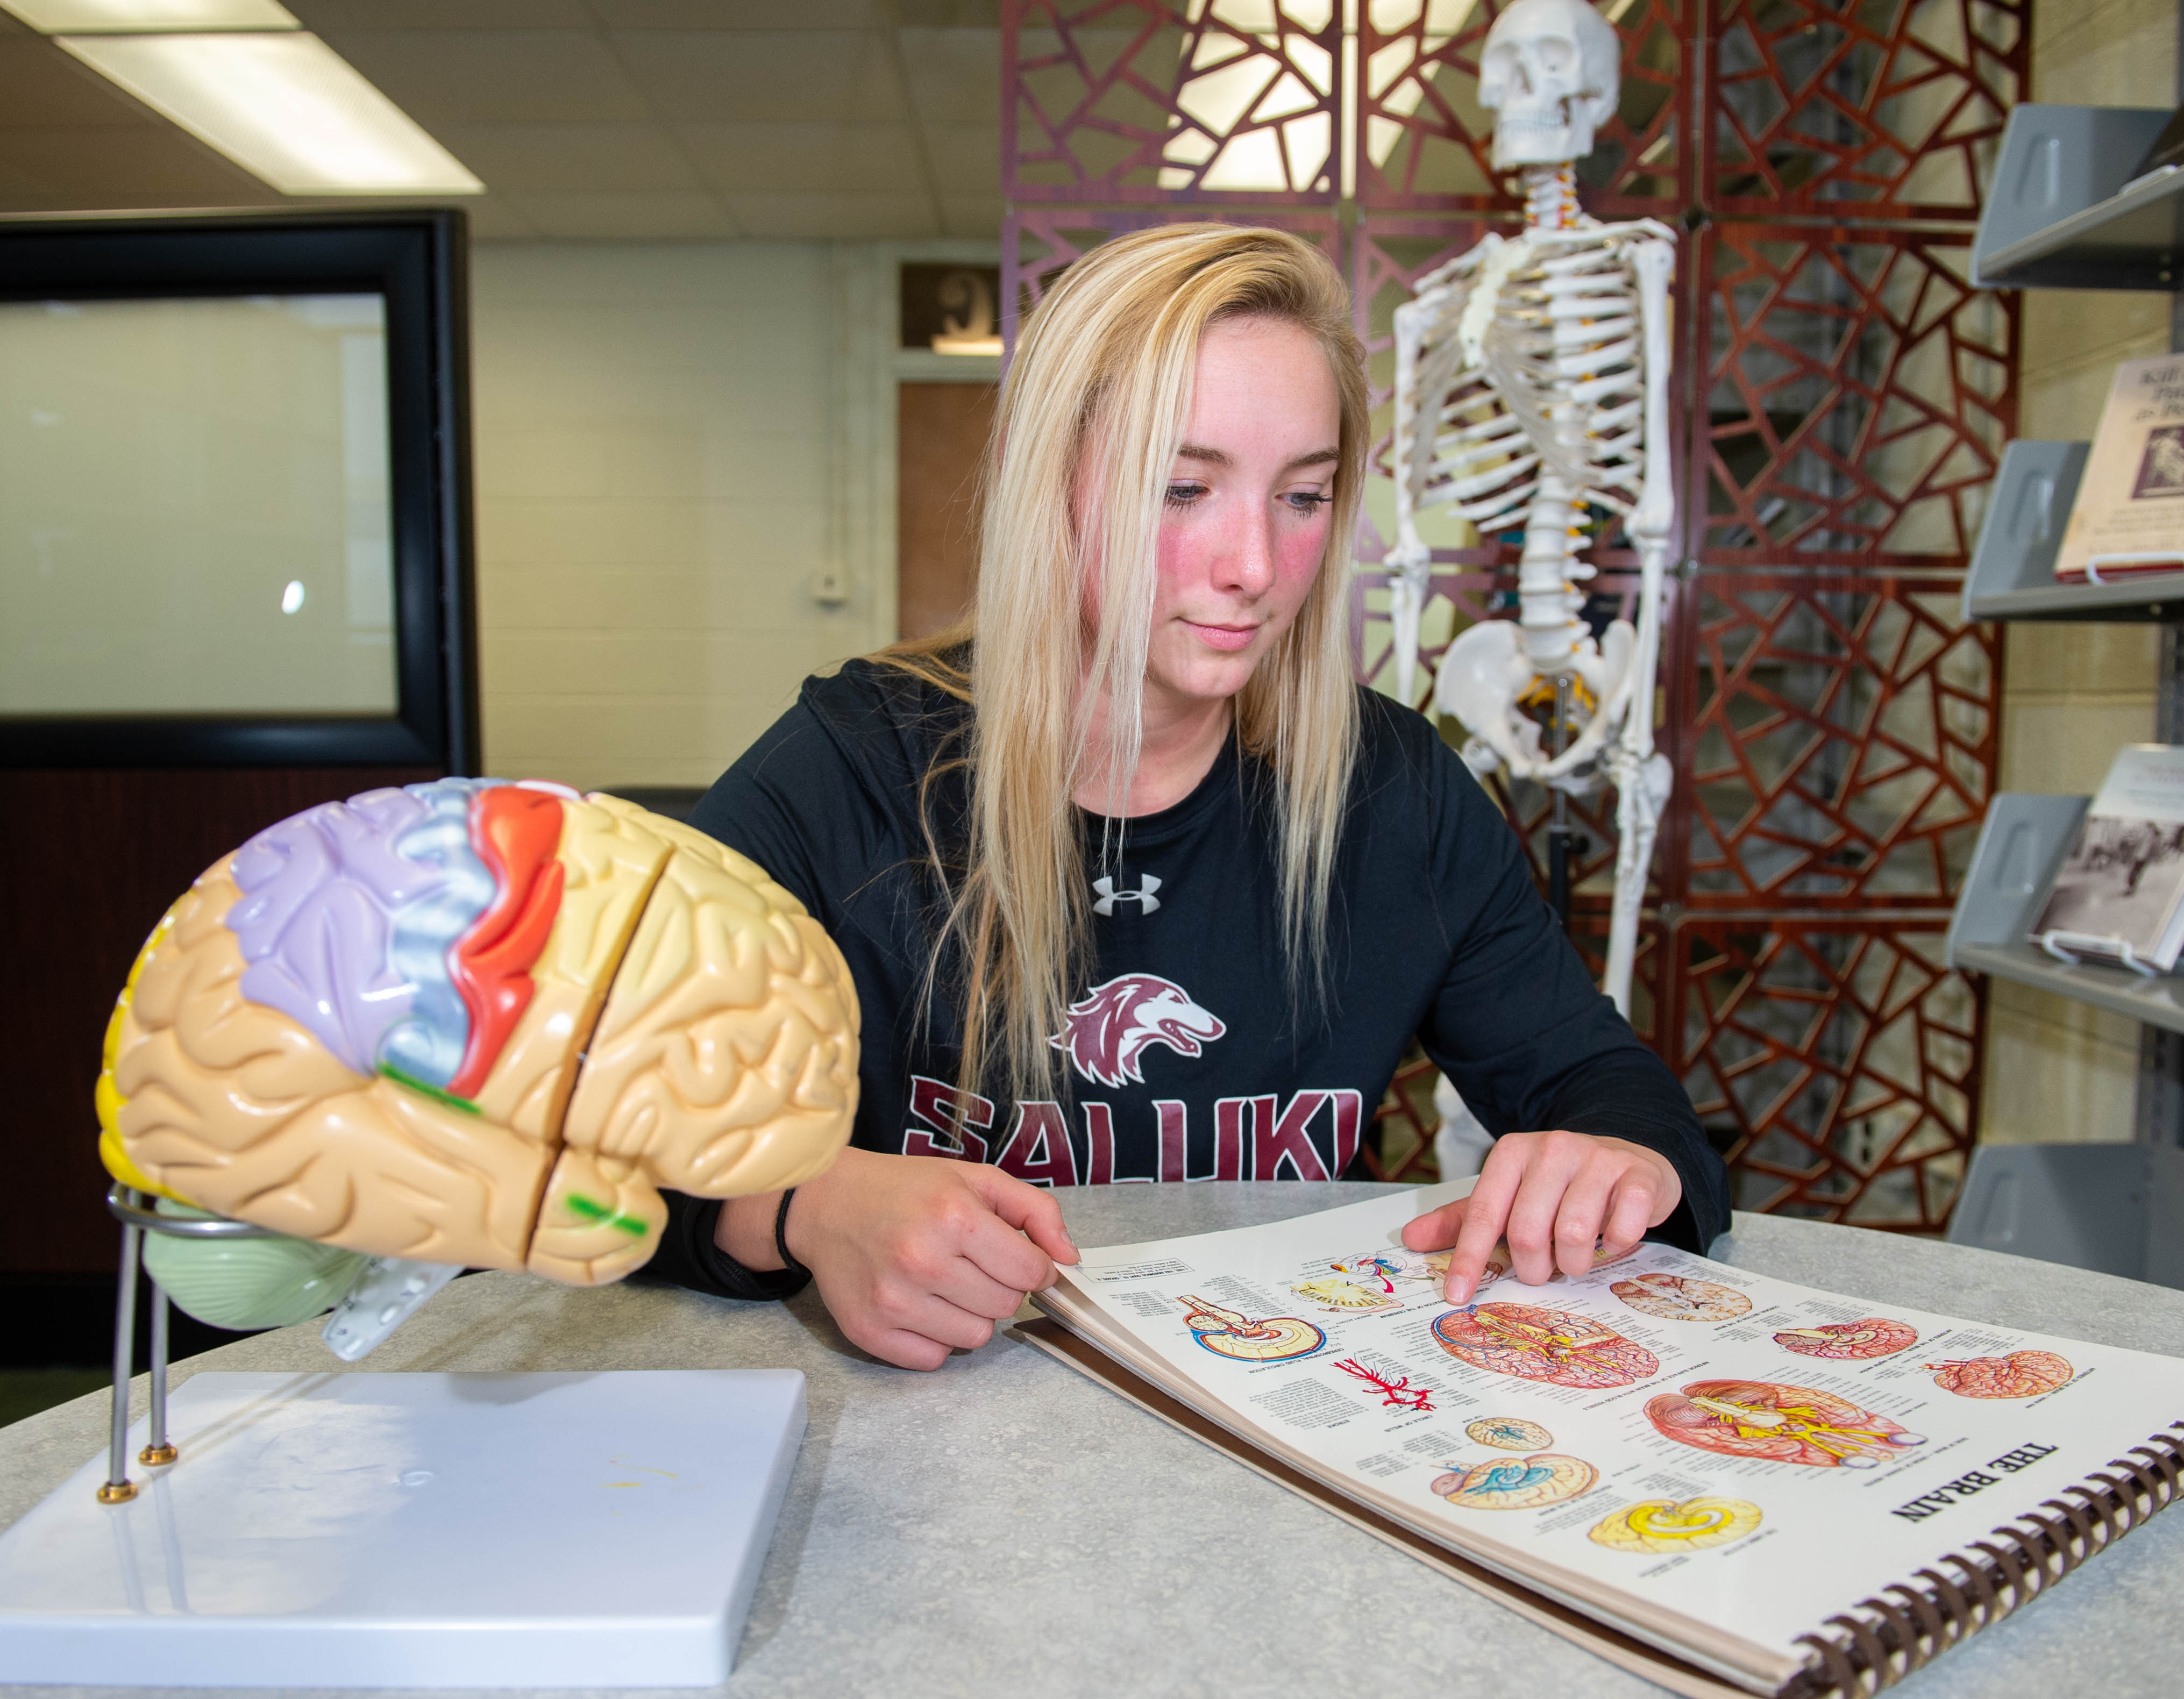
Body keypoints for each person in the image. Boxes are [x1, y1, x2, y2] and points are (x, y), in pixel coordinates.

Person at [648, 223, 1728, 1370]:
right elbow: (580, 1127)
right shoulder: (853, 766)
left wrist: (1619, 1157)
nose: (1255, 564)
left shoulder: (1389, 789)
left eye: (1303, 496)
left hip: (1290, 1407)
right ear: (1048, 480)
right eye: (1183, 487)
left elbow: (1613, 1091)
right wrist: (807, 1202)